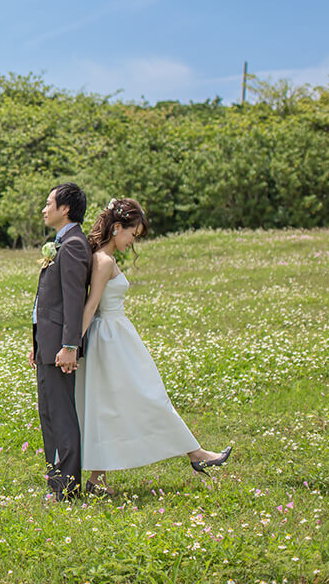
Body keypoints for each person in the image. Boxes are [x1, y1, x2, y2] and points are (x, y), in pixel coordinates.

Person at [76, 198, 232, 495]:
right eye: (132, 235)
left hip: (118, 338)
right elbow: (92, 305)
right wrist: (72, 346)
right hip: (110, 341)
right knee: (141, 399)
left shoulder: (105, 258)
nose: (132, 242)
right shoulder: (104, 261)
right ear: (117, 228)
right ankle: (196, 455)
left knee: (118, 404)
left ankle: (98, 480)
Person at [28, 182, 91, 501]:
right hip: (47, 345)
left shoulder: (75, 244)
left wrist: (70, 346)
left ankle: (68, 487)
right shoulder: (60, 243)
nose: (44, 208)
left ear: (65, 208)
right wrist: (38, 343)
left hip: (61, 347)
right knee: (49, 414)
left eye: (48, 202)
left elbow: (73, 299)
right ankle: (56, 483)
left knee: (62, 415)